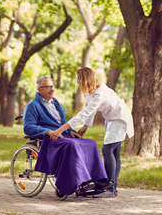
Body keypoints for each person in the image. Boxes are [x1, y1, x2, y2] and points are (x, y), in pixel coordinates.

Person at [51, 67, 134, 198]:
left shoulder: (100, 92)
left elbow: (84, 113)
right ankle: (113, 188)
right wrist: (85, 127)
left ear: (85, 79)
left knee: (107, 150)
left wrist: (60, 130)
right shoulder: (91, 91)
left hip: (119, 118)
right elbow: (90, 110)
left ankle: (109, 187)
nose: (77, 82)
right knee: (114, 152)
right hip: (111, 119)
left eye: (79, 79)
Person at [23, 75, 112, 196]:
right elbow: (28, 127)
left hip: (63, 134)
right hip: (50, 138)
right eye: (48, 87)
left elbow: (61, 123)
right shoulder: (33, 105)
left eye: (52, 86)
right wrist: (48, 131)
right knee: (72, 145)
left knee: (90, 143)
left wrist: (70, 130)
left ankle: (97, 181)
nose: (52, 89)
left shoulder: (56, 103)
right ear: (39, 89)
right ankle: (81, 183)